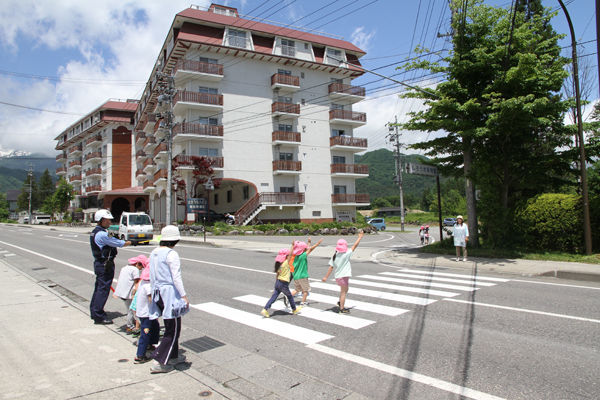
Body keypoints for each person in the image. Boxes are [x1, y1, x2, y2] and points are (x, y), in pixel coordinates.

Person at [148, 225, 190, 373]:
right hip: (169, 294)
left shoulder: (154, 252)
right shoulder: (171, 254)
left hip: (157, 293)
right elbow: (176, 277)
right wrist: (183, 296)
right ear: (176, 240)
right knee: (172, 330)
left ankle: (173, 356)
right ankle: (159, 362)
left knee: (171, 326)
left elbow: (151, 275)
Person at [90, 209, 131, 325]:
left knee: (99, 288)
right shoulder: (102, 234)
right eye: (106, 220)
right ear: (100, 220)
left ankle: (94, 311)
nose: (109, 222)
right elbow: (119, 243)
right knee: (103, 290)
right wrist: (130, 242)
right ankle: (99, 316)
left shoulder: (96, 231)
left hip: (100, 263)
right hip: (105, 264)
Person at [322, 231, 364, 314]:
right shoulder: (347, 254)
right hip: (343, 276)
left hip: (338, 276)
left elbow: (331, 266)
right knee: (343, 293)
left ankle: (340, 302)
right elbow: (355, 245)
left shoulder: (335, 255)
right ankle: (341, 309)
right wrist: (359, 237)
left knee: (345, 290)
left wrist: (326, 276)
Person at [261, 246, 302, 318]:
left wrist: (276, 284)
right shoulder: (286, 263)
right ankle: (294, 309)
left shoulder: (279, 265)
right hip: (283, 284)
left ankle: (265, 309)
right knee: (290, 296)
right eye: (288, 255)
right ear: (286, 256)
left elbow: (277, 275)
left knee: (273, 298)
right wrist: (293, 245)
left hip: (278, 283)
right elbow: (291, 254)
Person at [113, 255, 147, 334]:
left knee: (130, 309)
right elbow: (136, 283)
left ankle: (132, 322)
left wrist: (115, 292)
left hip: (121, 292)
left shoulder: (124, 267)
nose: (141, 269)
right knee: (131, 310)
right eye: (141, 266)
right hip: (128, 293)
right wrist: (134, 294)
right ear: (138, 263)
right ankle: (130, 326)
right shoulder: (135, 269)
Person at [134, 264, 160, 364]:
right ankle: (140, 355)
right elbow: (150, 299)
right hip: (146, 313)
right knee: (145, 333)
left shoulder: (142, 283)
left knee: (155, 327)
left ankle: (150, 345)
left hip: (142, 312)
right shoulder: (148, 285)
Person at [289, 238, 323, 307]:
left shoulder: (295, 257)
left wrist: (309, 243)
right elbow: (310, 249)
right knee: (305, 290)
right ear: (303, 250)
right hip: (302, 276)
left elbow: (307, 249)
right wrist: (318, 243)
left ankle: (288, 296)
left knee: (297, 289)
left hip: (295, 276)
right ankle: (303, 302)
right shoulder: (303, 256)